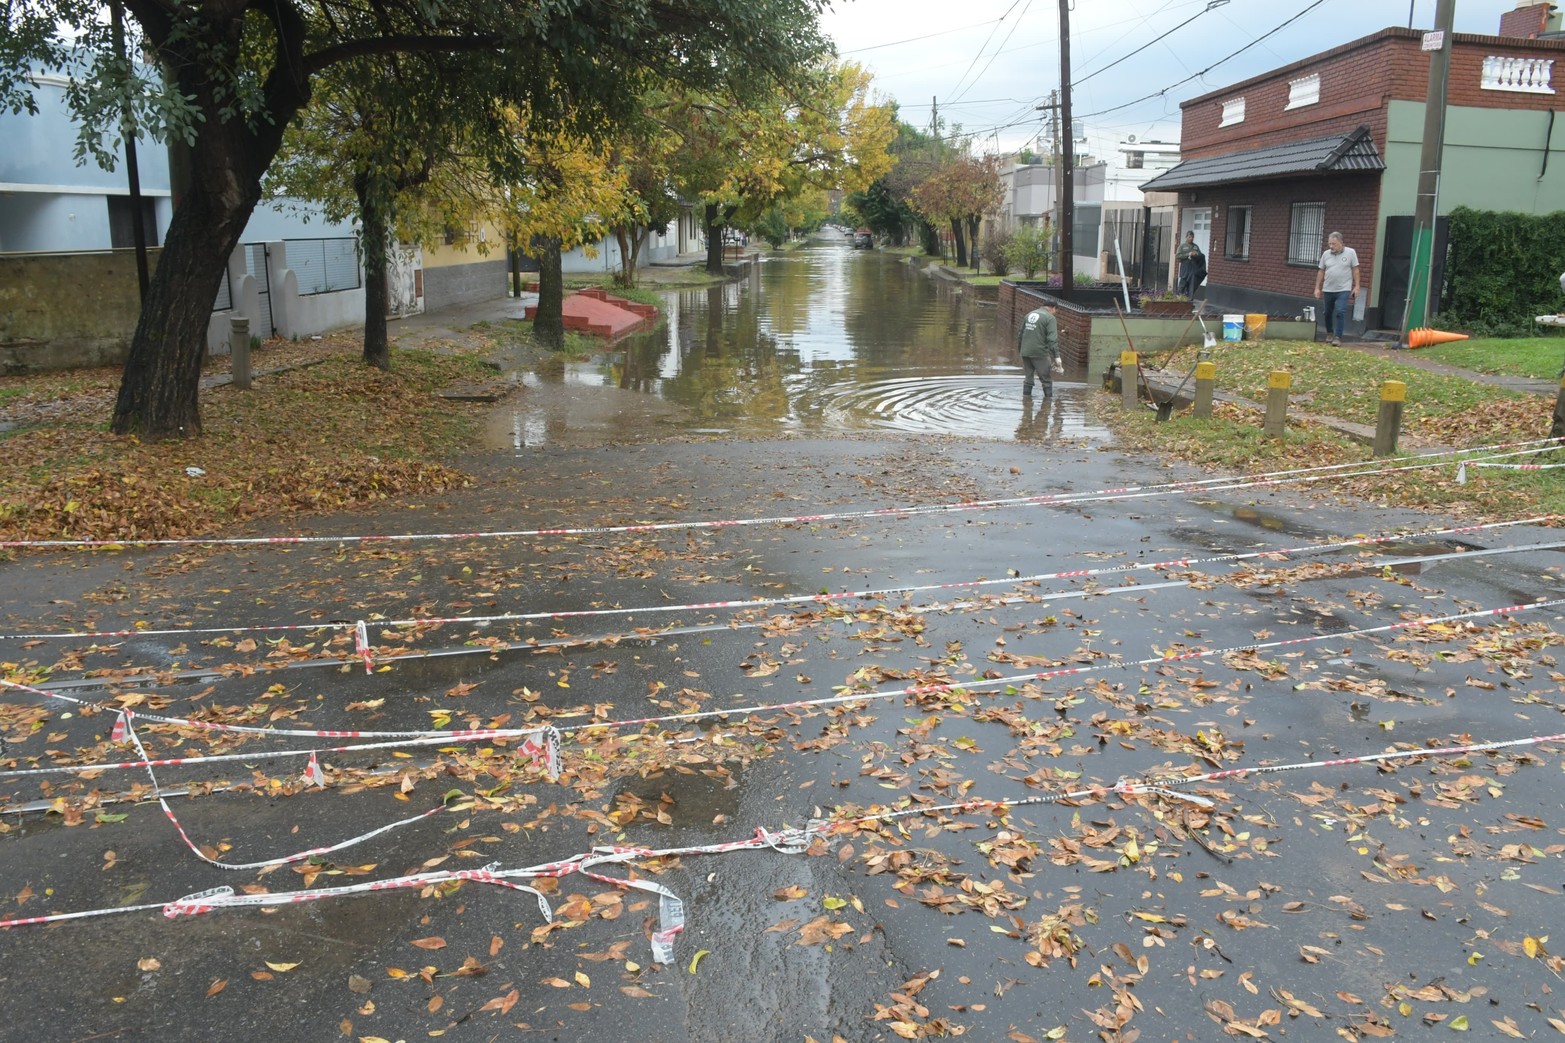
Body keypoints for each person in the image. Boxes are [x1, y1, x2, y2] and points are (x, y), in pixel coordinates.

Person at [1313, 231, 1360, 345]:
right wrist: (1317, 288)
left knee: (1340, 311)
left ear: (1341, 243)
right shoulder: (1326, 254)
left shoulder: (1350, 253)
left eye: (1334, 244)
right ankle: (1329, 333)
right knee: (1327, 312)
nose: (1331, 246)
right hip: (1328, 288)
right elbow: (1321, 271)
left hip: (1343, 288)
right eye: (1330, 244)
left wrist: (1357, 286)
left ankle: (1338, 337)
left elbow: (1355, 270)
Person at [1017, 302, 1061, 399]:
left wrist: (1020, 350)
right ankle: (1047, 403)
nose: (1054, 313)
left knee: (1028, 378)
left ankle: (1026, 404)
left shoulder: (1029, 315)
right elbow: (1052, 339)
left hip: (1025, 351)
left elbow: (1020, 334)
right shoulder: (1050, 318)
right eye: (1055, 311)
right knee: (1046, 379)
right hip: (1040, 353)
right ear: (1053, 308)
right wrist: (1057, 356)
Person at [1174, 232, 1205, 298]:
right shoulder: (1182, 246)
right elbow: (1178, 256)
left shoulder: (1195, 246)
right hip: (1185, 267)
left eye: (1192, 237)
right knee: (1182, 284)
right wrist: (1188, 254)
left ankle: (1189, 300)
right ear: (1186, 237)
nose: (1191, 239)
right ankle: (1179, 298)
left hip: (1193, 268)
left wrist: (1196, 254)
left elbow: (1200, 255)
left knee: (1191, 285)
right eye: (1190, 237)